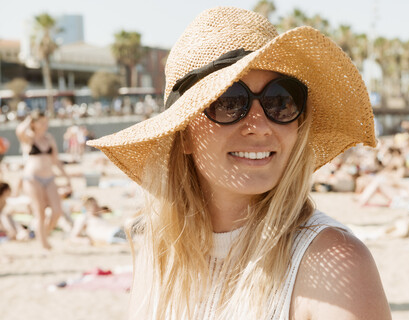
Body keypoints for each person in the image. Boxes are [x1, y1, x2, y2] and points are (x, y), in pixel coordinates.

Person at [87, 7, 391, 319]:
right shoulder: (158, 254)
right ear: (184, 135)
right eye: (229, 102)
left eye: (279, 101)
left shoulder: (333, 263)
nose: (259, 125)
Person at [15, 111, 72, 250]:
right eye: (41, 122)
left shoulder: (49, 138)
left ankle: (43, 234)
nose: (45, 124)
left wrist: (66, 177)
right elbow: (19, 130)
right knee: (39, 212)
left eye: (46, 121)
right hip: (32, 178)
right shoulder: (29, 138)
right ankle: (44, 244)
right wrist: (30, 118)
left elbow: (56, 160)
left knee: (57, 211)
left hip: (50, 177)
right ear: (33, 123)